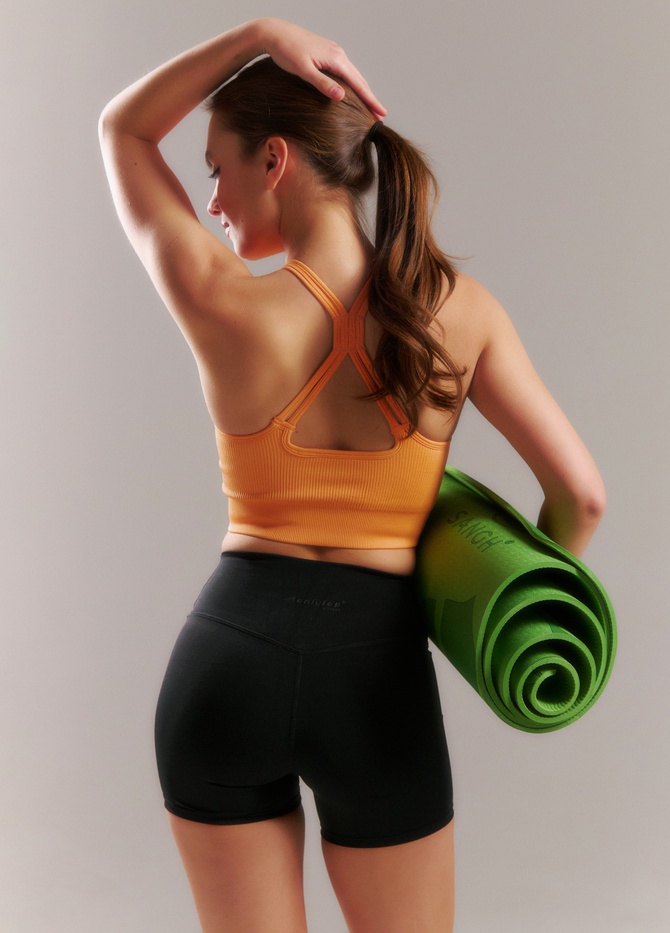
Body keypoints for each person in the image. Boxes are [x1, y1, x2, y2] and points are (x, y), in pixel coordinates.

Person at [98, 17, 605, 933]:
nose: (211, 200)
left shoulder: (222, 301)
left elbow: (123, 129)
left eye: (216, 169)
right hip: (376, 674)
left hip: (226, 662)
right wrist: (502, 604)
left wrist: (256, 35)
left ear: (275, 160)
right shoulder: (461, 311)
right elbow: (584, 497)